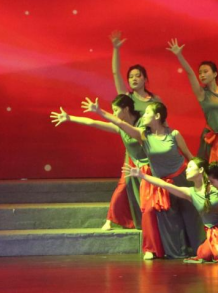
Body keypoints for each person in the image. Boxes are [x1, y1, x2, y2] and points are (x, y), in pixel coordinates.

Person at [94, 99, 202, 259]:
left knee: (191, 216)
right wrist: (100, 112)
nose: (143, 115)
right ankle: (178, 252)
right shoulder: (143, 136)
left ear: (157, 116)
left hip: (181, 179)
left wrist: (203, 174)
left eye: (147, 113)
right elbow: (120, 123)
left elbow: (189, 156)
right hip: (162, 183)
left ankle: (200, 250)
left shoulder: (174, 134)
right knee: (169, 220)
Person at [49, 94, 146, 231]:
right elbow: (92, 122)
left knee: (148, 192)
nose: (114, 114)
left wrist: (100, 111)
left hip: (148, 163)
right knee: (123, 187)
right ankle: (111, 220)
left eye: (116, 110)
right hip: (132, 161)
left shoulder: (142, 123)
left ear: (126, 109)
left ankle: (151, 222)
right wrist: (70, 118)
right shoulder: (119, 126)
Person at [124, 158, 218, 263]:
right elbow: (165, 185)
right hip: (214, 232)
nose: (187, 170)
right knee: (203, 253)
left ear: (201, 170)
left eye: (190, 167)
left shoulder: (216, 185)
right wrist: (142, 175)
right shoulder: (190, 193)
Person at [166, 39, 218, 171]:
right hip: (211, 139)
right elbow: (190, 73)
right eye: (200, 72)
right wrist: (179, 55)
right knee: (211, 172)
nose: (202, 75)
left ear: (215, 74)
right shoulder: (202, 93)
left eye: (205, 71)